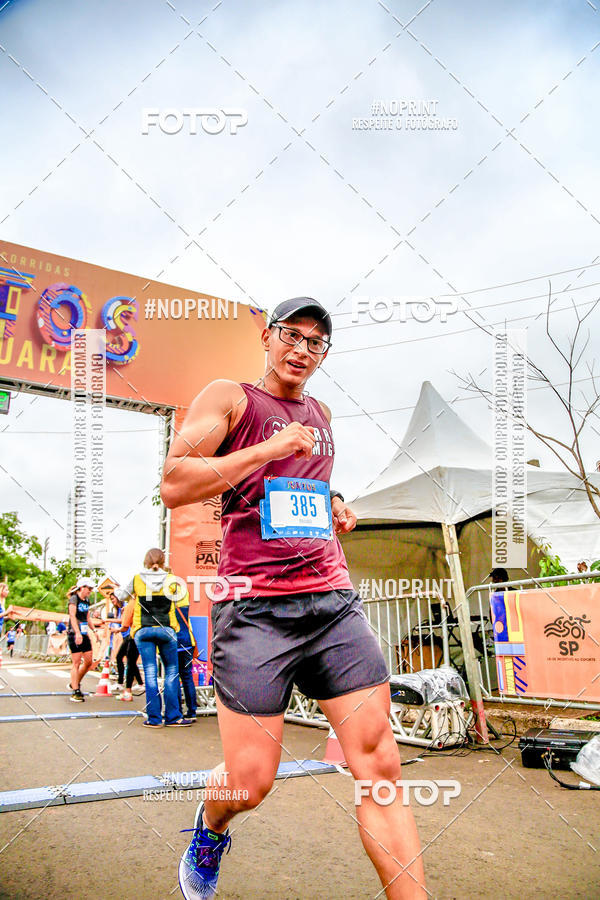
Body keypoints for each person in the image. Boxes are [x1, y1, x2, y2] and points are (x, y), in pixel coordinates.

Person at [161, 297, 426, 899]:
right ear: (267, 337)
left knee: (380, 767)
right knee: (251, 782)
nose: (302, 349)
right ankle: (209, 829)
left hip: (330, 601)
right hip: (255, 608)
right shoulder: (230, 398)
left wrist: (334, 504)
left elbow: (300, 487)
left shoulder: (321, 413)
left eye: (316, 342)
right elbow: (174, 483)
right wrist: (265, 449)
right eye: (292, 335)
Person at [123, 548, 193, 728]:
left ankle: (154, 718)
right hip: (166, 629)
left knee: (150, 673)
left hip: (143, 630)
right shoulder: (172, 580)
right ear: (163, 562)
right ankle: (173, 717)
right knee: (171, 672)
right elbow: (181, 601)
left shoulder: (137, 579)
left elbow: (121, 595)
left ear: (145, 562)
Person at [67, 576, 97, 702]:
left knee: (89, 661)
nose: (90, 591)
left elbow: (87, 617)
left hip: (84, 633)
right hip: (74, 633)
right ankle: (75, 690)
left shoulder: (87, 601)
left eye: (91, 589)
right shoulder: (74, 599)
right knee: (77, 662)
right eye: (88, 588)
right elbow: (72, 616)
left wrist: (94, 630)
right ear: (82, 588)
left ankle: (74, 682)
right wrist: (77, 633)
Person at [114, 590, 144, 701]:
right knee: (150, 665)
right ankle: (151, 694)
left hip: (135, 634)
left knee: (131, 662)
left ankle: (128, 691)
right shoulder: (147, 599)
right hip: (150, 633)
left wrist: (117, 630)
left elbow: (125, 625)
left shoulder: (132, 602)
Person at [174, 584, 197, 721]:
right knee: (187, 677)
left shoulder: (166, 605)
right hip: (188, 642)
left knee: (174, 676)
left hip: (173, 643)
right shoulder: (184, 601)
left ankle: (177, 711)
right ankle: (192, 711)